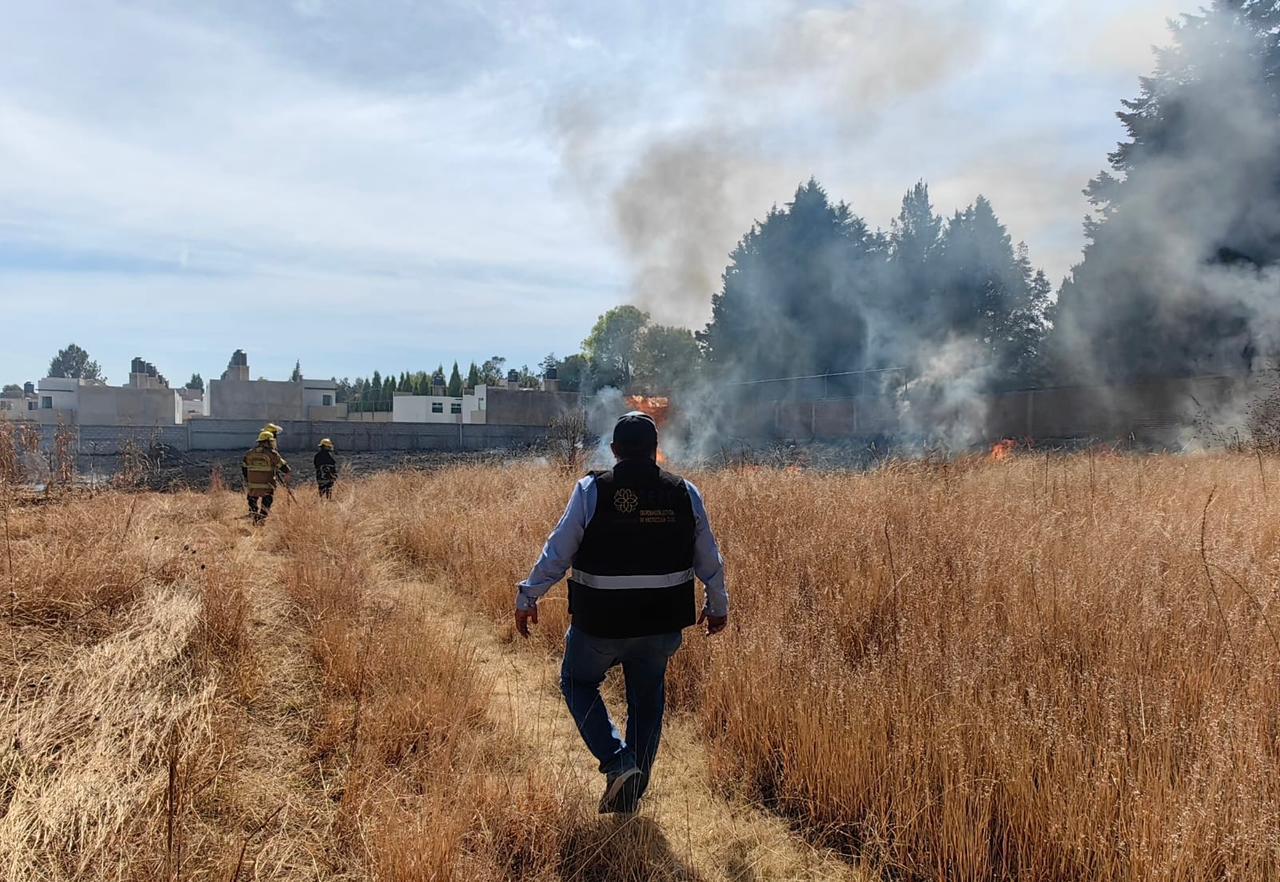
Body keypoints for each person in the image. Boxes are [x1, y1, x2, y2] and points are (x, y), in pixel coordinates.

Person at [515, 411, 728, 814]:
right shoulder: (686, 492)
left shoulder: (591, 490)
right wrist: (718, 606)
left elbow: (557, 552)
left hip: (600, 624)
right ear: (656, 451)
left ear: (614, 451)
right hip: (661, 626)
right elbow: (710, 559)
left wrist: (529, 596)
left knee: (577, 683)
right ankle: (631, 790)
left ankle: (618, 764)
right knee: (647, 704)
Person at [242, 430, 290, 522]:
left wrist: (248, 480)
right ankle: (261, 518)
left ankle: (253, 514)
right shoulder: (272, 454)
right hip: (267, 485)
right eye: (271, 441)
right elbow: (284, 468)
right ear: (267, 442)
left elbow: (244, 467)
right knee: (267, 500)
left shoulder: (249, 453)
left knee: (252, 499)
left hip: (252, 485)